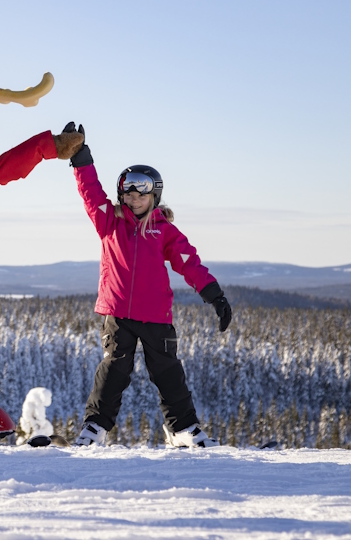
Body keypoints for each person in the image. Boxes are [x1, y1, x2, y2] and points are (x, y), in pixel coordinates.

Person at [66, 124, 232, 448]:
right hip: (118, 314)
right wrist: (81, 158)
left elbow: (189, 262)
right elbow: (91, 193)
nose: (134, 198)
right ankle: (94, 428)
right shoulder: (109, 222)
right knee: (114, 370)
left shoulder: (164, 229)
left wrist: (215, 296)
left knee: (168, 372)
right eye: (128, 193)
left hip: (156, 315)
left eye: (141, 194)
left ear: (154, 195)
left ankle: (183, 429)